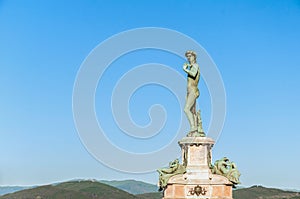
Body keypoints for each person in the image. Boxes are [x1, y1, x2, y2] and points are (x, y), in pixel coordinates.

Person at [183, 50, 200, 132]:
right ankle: (195, 128)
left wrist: (185, 69)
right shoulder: (192, 67)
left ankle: (193, 127)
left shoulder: (195, 65)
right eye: (187, 57)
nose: (189, 58)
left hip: (193, 90)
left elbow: (193, 74)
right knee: (192, 111)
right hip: (189, 91)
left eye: (190, 56)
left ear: (194, 57)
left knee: (186, 109)